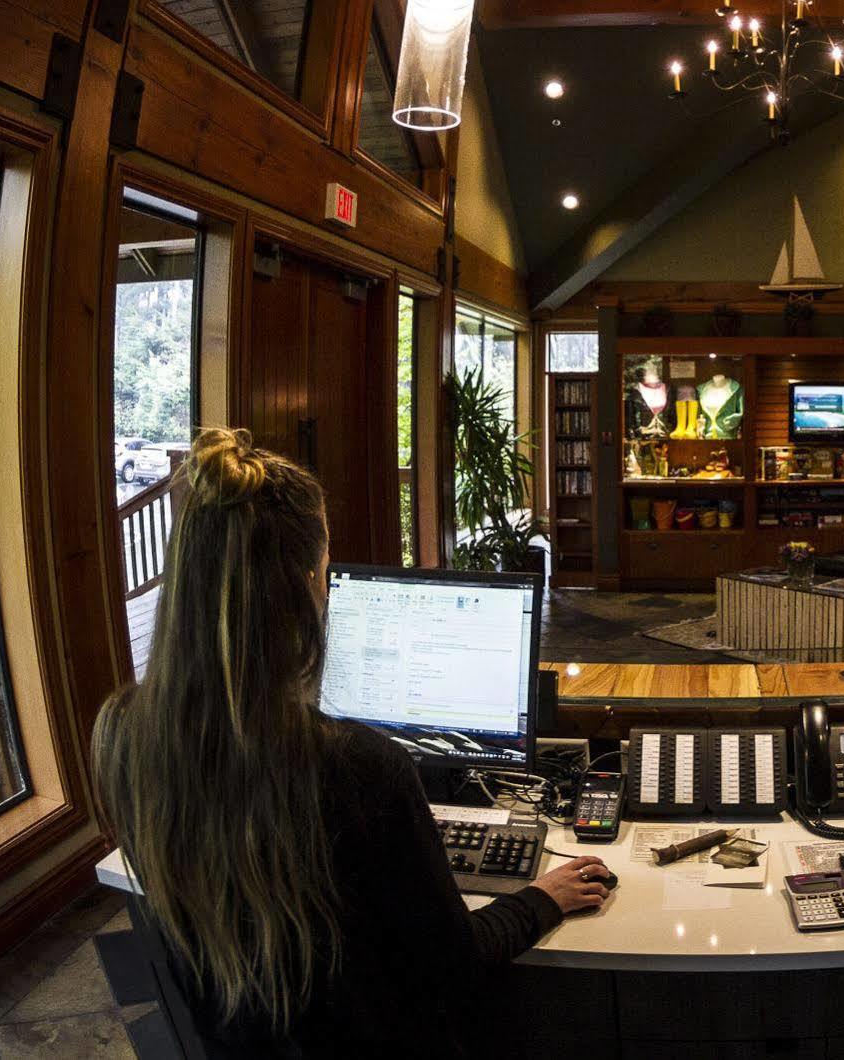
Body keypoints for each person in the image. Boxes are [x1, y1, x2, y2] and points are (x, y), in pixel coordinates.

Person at [93, 428, 611, 1055]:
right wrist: (542, 898)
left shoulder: (121, 733)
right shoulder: (357, 767)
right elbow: (454, 964)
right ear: (311, 579)